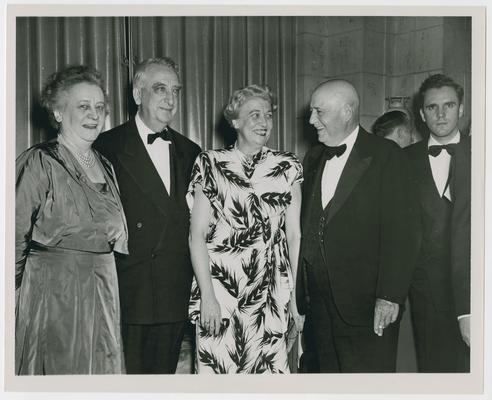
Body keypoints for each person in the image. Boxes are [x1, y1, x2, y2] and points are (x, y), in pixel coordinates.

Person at [296, 79, 418, 372]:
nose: (312, 120)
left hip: (367, 306)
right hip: (320, 306)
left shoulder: (386, 156)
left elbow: (403, 232)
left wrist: (389, 296)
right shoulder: (313, 156)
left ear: (347, 112)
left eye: (319, 112)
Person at [15, 65, 128, 375]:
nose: (94, 114)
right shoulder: (39, 160)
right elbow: (12, 236)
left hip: (102, 287)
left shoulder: (105, 163)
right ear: (59, 112)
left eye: (99, 107)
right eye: (83, 106)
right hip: (55, 292)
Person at [187, 84, 304, 374]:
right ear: (235, 121)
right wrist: (208, 296)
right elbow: (196, 235)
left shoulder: (288, 166)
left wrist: (295, 299)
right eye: (254, 115)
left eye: (268, 115)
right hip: (221, 292)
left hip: (270, 294)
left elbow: (294, 235)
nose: (264, 122)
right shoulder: (210, 163)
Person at [95, 57, 201, 374]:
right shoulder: (106, 146)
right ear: (138, 95)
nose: (170, 99)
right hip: (129, 292)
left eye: (175, 90)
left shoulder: (191, 151)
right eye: (160, 89)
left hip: (173, 290)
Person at [405, 73, 470, 372]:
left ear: (462, 108)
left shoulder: (483, 154)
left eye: (449, 105)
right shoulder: (403, 160)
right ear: (421, 113)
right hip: (425, 295)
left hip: (476, 292)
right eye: (432, 107)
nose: (441, 114)